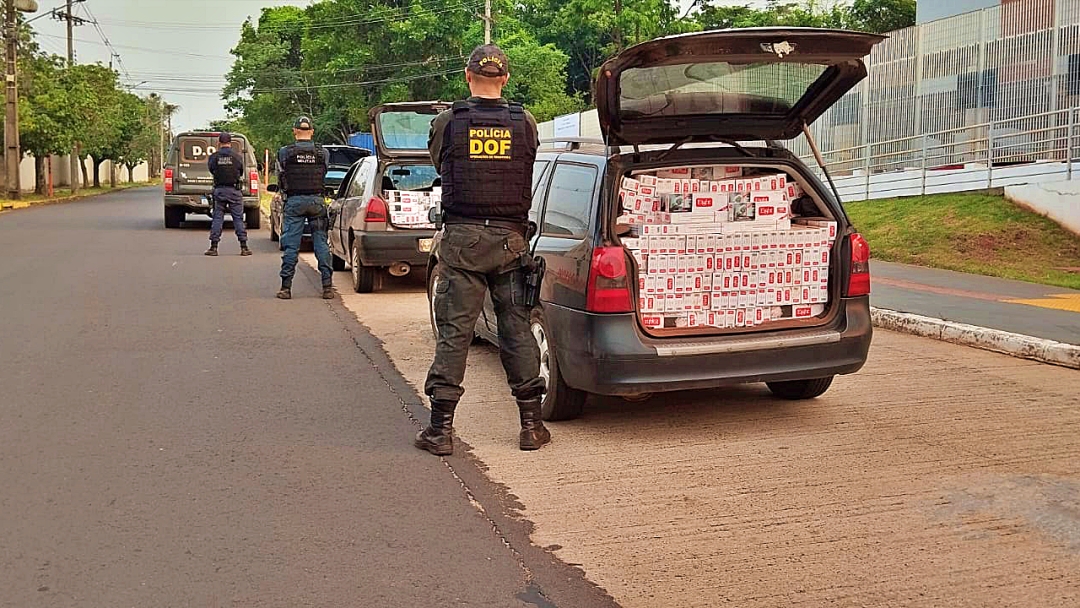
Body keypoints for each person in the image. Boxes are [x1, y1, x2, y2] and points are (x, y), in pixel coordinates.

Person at [416, 44, 549, 456]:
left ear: (467, 75)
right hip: (510, 241)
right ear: (505, 78)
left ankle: (440, 431)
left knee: (455, 333)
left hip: (461, 240)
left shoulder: (448, 122)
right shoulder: (524, 122)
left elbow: (441, 163)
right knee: (516, 329)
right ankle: (531, 427)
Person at [276, 116, 334, 300]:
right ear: (312, 131)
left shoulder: (285, 152)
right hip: (317, 201)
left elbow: (281, 175)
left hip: (294, 202)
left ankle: (286, 288)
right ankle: (327, 287)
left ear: (294, 131)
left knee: (291, 246)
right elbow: (324, 171)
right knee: (321, 244)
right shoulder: (322, 152)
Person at [205, 133, 251, 257]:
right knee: (238, 219)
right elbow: (241, 171)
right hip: (234, 191)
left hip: (219, 190)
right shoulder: (237, 157)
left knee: (217, 218)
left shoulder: (214, 157)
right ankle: (244, 247)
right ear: (230, 143)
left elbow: (211, 169)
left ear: (219, 143)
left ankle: (213, 247)